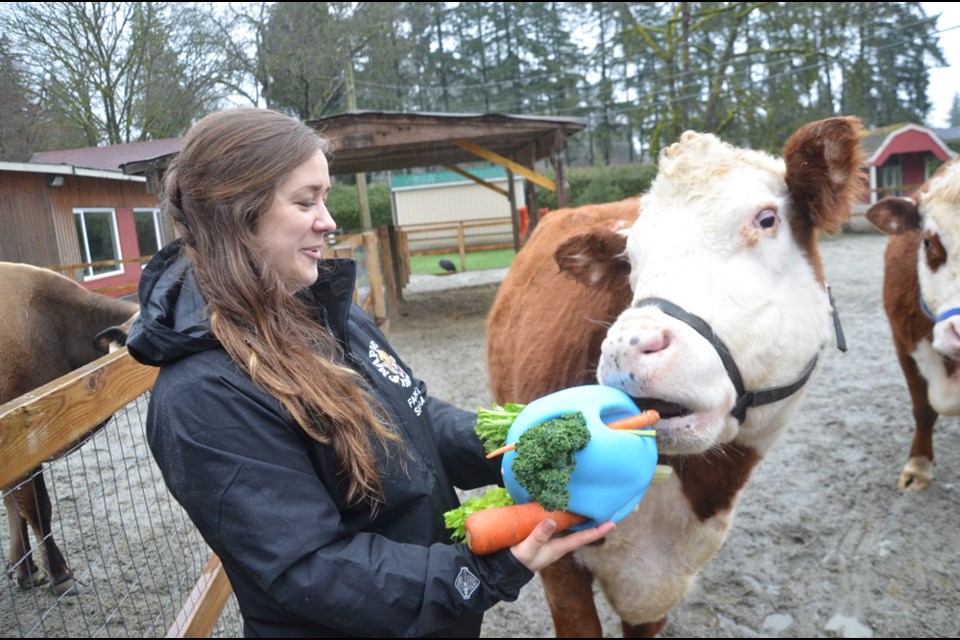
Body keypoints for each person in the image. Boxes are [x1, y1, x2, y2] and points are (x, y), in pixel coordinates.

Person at [125, 107, 614, 638]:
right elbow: (310, 568)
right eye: (306, 201)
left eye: (326, 198)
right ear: (237, 214)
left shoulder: (324, 311)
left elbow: (418, 419)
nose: (329, 220)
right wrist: (484, 571)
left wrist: (522, 440)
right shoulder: (202, 396)